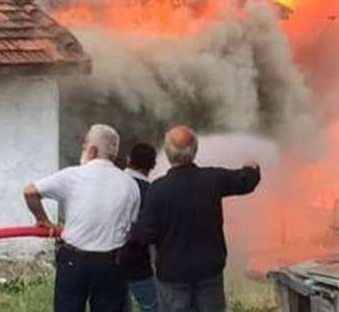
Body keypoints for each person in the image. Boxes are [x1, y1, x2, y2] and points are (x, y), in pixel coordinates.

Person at [137, 126, 260, 312]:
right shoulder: (212, 179)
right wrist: (251, 167)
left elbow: (147, 234)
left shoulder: (157, 189)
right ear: (195, 150)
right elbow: (245, 181)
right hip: (209, 273)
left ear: (168, 154)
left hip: (173, 277)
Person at [23, 124, 141, 312]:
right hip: (112, 262)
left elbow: (30, 191)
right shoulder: (130, 184)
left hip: (74, 260)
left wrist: (43, 220)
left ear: (93, 150)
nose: (83, 149)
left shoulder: (73, 175)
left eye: (84, 145)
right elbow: (130, 226)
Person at [121, 143, 159, 312]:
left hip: (109, 256)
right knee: (152, 306)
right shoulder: (152, 192)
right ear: (153, 166)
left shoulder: (113, 182)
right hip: (138, 261)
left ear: (128, 159)